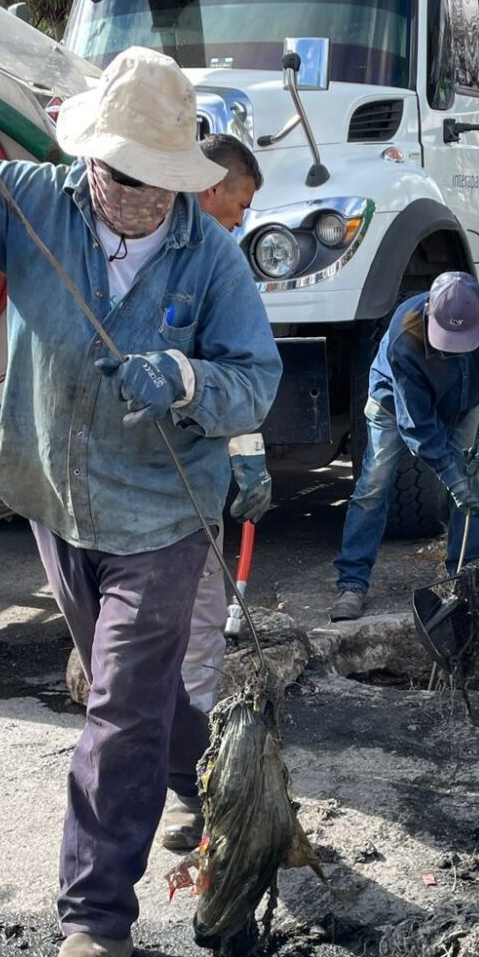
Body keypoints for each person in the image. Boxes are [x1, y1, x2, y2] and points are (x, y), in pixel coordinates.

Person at [0, 42, 282, 957]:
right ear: (89, 155)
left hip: (162, 515)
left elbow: (256, 381)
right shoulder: (29, 203)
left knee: (117, 705)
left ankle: (96, 920)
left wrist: (184, 380)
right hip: (55, 501)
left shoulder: (209, 256)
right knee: (135, 693)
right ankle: (203, 775)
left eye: (158, 182)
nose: (135, 195)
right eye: (119, 174)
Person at [161, 133, 269, 852]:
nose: (243, 218)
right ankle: (178, 782)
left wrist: (249, 458)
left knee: (198, 632)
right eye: (242, 201)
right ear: (212, 185)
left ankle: (187, 788)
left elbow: (239, 375)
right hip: (136, 493)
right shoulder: (153, 248)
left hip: (187, 484)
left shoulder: (215, 263)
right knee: (169, 639)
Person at [330, 272, 479, 620]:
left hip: (464, 403)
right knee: (374, 485)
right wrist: (450, 479)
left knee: (472, 481)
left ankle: (467, 579)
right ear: (428, 311)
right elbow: (417, 424)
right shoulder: (405, 335)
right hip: (394, 405)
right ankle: (352, 582)